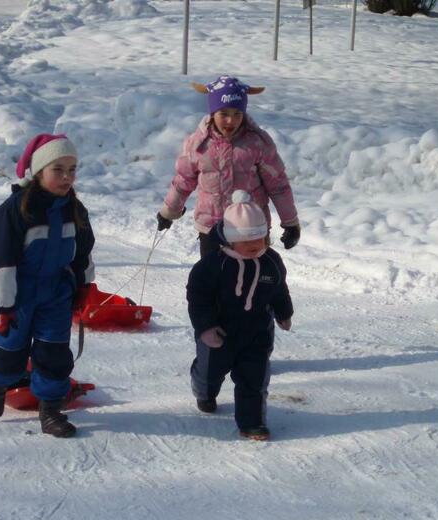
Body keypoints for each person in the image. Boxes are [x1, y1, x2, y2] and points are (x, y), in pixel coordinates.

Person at [0, 134, 95, 438]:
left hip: (57, 294)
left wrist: (84, 287)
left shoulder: (75, 210)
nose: (67, 177)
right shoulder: (15, 211)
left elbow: (83, 252)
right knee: (9, 352)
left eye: (72, 169)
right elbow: (3, 262)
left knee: (53, 353)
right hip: (18, 295)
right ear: (39, 171)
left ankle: (51, 410)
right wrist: (3, 306)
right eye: (58, 169)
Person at [186, 190, 293, 441]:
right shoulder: (213, 265)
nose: (256, 246)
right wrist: (205, 328)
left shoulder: (271, 261)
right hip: (219, 333)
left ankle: (252, 422)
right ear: (231, 240)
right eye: (248, 242)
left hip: (257, 332)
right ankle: (204, 391)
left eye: (261, 239)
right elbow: (197, 298)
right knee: (210, 373)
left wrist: (284, 312)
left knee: (254, 378)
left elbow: (279, 288)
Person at [157, 75, 300, 257]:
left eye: (237, 114)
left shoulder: (257, 143)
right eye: (224, 114)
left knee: (252, 279)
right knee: (212, 280)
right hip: (212, 228)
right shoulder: (198, 144)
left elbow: (278, 185)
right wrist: (169, 211)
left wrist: (290, 222)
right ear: (212, 113)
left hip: (251, 229)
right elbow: (183, 180)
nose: (231, 121)